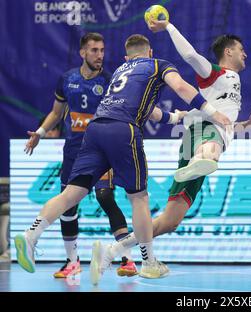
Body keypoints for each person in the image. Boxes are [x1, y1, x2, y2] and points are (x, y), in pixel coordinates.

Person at [14, 34, 230, 286]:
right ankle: (149, 263)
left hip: (95, 130)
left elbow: (147, 109)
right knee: (138, 197)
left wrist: (174, 118)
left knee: (71, 195)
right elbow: (182, 87)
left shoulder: (119, 71)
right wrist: (214, 112)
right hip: (123, 130)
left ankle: (31, 234)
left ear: (128, 57)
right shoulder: (158, 64)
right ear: (150, 52)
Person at [84, 17, 251, 280]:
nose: (245, 54)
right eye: (241, 49)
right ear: (228, 51)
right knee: (211, 149)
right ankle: (202, 157)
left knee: (170, 221)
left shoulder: (232, 85)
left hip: (211, 135)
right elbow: (191, 55)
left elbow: (227, 128)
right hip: (202, 133)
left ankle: (112, 250)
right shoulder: (215, 73)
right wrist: (168, 27)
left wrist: (249, 123)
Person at [24, 33, 138, 279]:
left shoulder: (110, 82)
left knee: (105, 197)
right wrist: (41, 133)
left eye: (102, 50)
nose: (100, 55)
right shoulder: (67, 79)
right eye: (94, 50)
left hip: (101, 151)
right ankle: (72, 262)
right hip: (74, 151)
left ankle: (127, 259)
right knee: (68, 205)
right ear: (83, 53)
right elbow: (56, 113)